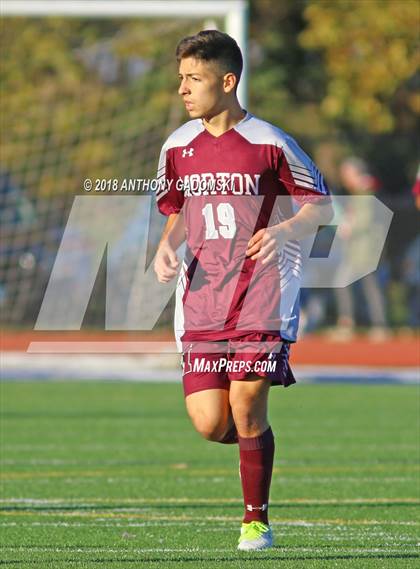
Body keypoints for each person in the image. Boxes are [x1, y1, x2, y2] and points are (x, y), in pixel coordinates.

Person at [153, 30, 332, 551]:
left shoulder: (271, 143)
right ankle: (256, 445)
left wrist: (282, 230)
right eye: (181, 78)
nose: (184, 89)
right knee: (212, 422)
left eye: (194, 78)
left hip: (262, 293)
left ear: (228, 81)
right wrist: (168, 246)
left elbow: (322, 207)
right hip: (203, 297)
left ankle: (256, 521)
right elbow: (179, 210)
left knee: (248, 404)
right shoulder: (177, 146)